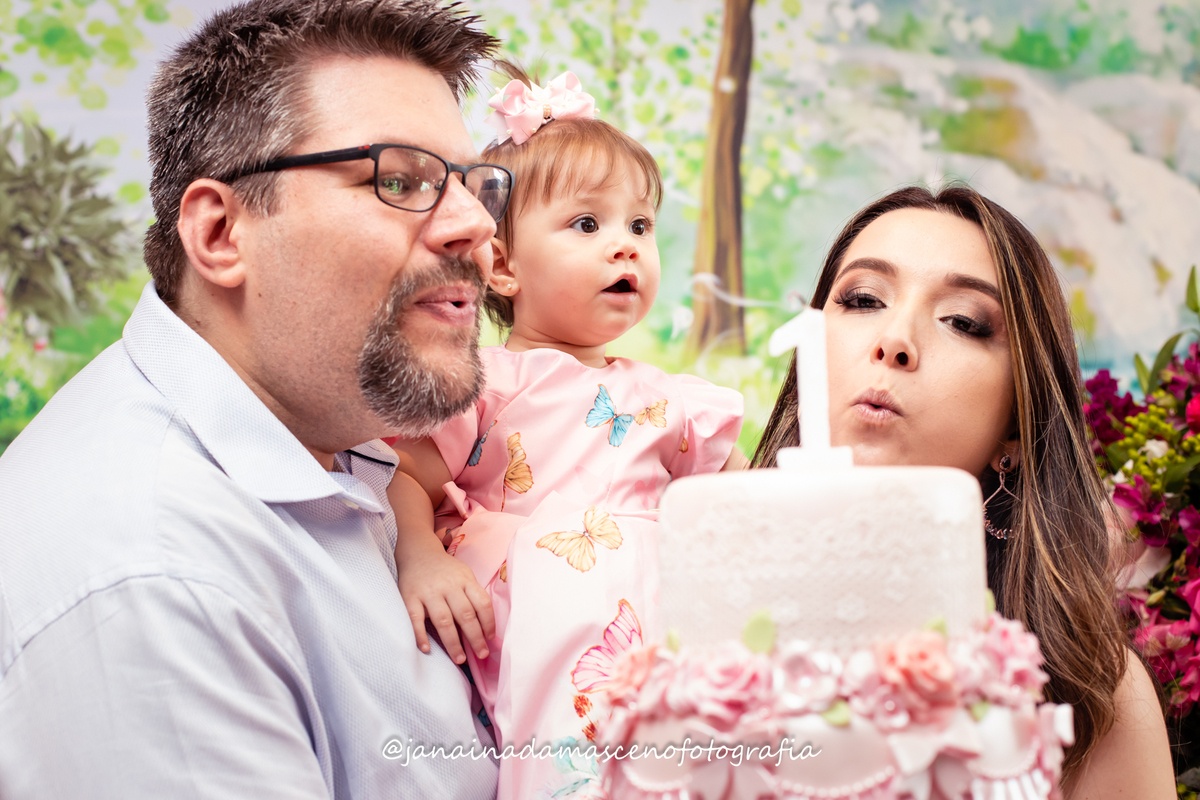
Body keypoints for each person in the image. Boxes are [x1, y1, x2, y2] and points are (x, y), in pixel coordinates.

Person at [0, 0, 509, 796]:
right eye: (402, 179)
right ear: (220, 234)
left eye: (477, 185)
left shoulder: (345, 443)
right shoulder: (156, 579)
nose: (476, 225)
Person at [385, 67, 746, 799]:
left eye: (639, 226)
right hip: (548, 626)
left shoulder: (670, 400)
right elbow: (405, 476)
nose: (626, 248)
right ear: (506, 266)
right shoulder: (482, 383)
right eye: (588, 224)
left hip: (660, 630)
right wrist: (419, 553)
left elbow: (743, 502)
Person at [753, 185, 1175, 796]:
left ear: (1015, 424)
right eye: (863, 298)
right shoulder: (684, 597)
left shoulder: (1090, 690)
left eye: (963, 322)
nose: (893, 340)